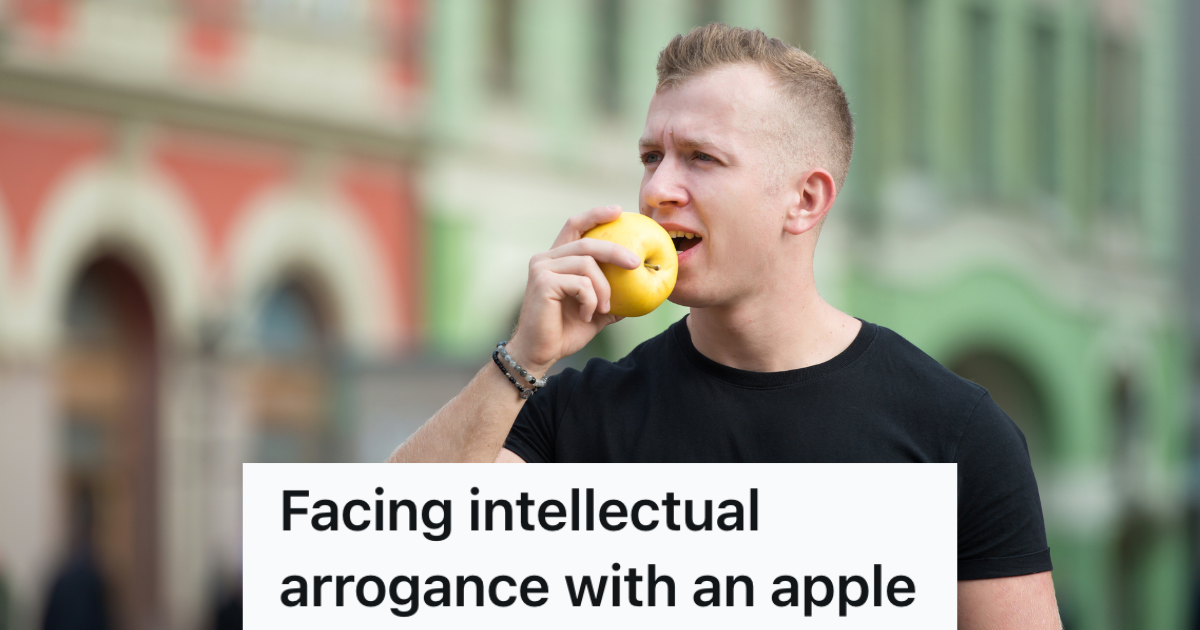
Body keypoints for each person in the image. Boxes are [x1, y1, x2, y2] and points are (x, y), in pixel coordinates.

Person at [391, 23, 1061, 628]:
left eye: (701, 159)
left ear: (804, 200)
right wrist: (522, 359)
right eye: (652, 156)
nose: (657, 189)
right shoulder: (576, 416)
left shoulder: (956, 432)